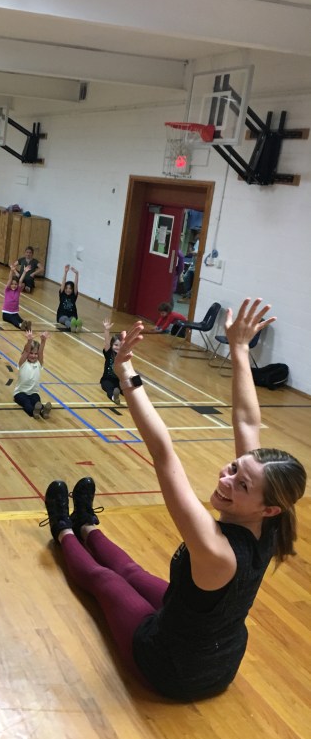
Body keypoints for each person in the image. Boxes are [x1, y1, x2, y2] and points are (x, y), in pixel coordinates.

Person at [41, 297, 306, 701]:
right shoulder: (270, 518)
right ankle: (88, 524)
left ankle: (64, 529)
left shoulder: (217, 550)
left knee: (106, 580)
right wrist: (238, 349)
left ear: (269, 507)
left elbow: (164, 453)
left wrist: (126, 375)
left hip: (173, 667)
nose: (225, 479)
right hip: (217, 649)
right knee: (130, 570)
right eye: (233, 467)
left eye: (241, 484)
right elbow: (247, 420)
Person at [14, 329, 52, 419]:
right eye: (31, 353)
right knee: (26, 402)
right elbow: (26, 351)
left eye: (35, 354)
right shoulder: (23, 363)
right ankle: (33, 412)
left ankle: (43, 411)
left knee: (36, 401)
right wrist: (29, 341)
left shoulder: (38, 363)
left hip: (33, 392)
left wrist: (43, 341)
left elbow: (41, 352)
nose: (33, 355)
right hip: (20, 393)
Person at [2, 263, 32, 330]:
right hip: (6, 313)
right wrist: (11, 271)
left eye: (15, 284)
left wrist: (24, 272)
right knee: (13, 320)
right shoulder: (7, 290)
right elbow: (10, 279)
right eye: (12, 284)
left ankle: (26, 326)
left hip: (14, 312)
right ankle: (20, 325)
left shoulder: (18, 291)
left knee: (20, 319)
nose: (14, 285)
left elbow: (20, 281)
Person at [101, 319, 122, 405]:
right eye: (116, 345)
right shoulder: (109, 353)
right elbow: (106, 342)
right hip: (107, 380)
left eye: (120, 345)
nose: (118, 347)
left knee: (127, 389)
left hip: (119, 381)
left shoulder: (123, 356)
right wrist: (106, 330)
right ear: (112, 345)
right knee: (110, 389)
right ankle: (114, 397)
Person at [56, 265, 81, 332]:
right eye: (66, 288)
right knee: (66, 319)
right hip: (62, 315)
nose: (68, 290)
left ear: (72, 290)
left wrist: (77, 274)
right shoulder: (62, 294)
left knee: (73, 319)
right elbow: (63, 282)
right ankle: (72, 327)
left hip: (72, 315)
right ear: (64, 289)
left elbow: (76, 284)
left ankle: (76, 326)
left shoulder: (74, 296)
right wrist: (65, 272)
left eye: (70, 288)